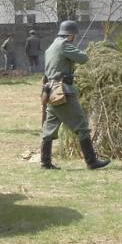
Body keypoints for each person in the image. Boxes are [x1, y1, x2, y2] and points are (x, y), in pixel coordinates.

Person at [40, 20, 109, 170]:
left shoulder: (50, 47)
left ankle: (45, 162)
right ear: (70, 35)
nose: (75, 38)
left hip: (51, 92)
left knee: (49, 128)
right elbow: (83, 58)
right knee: (82, 126)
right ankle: (92, 161)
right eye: (74, 36)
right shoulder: (64, 45)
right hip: (63, 92)